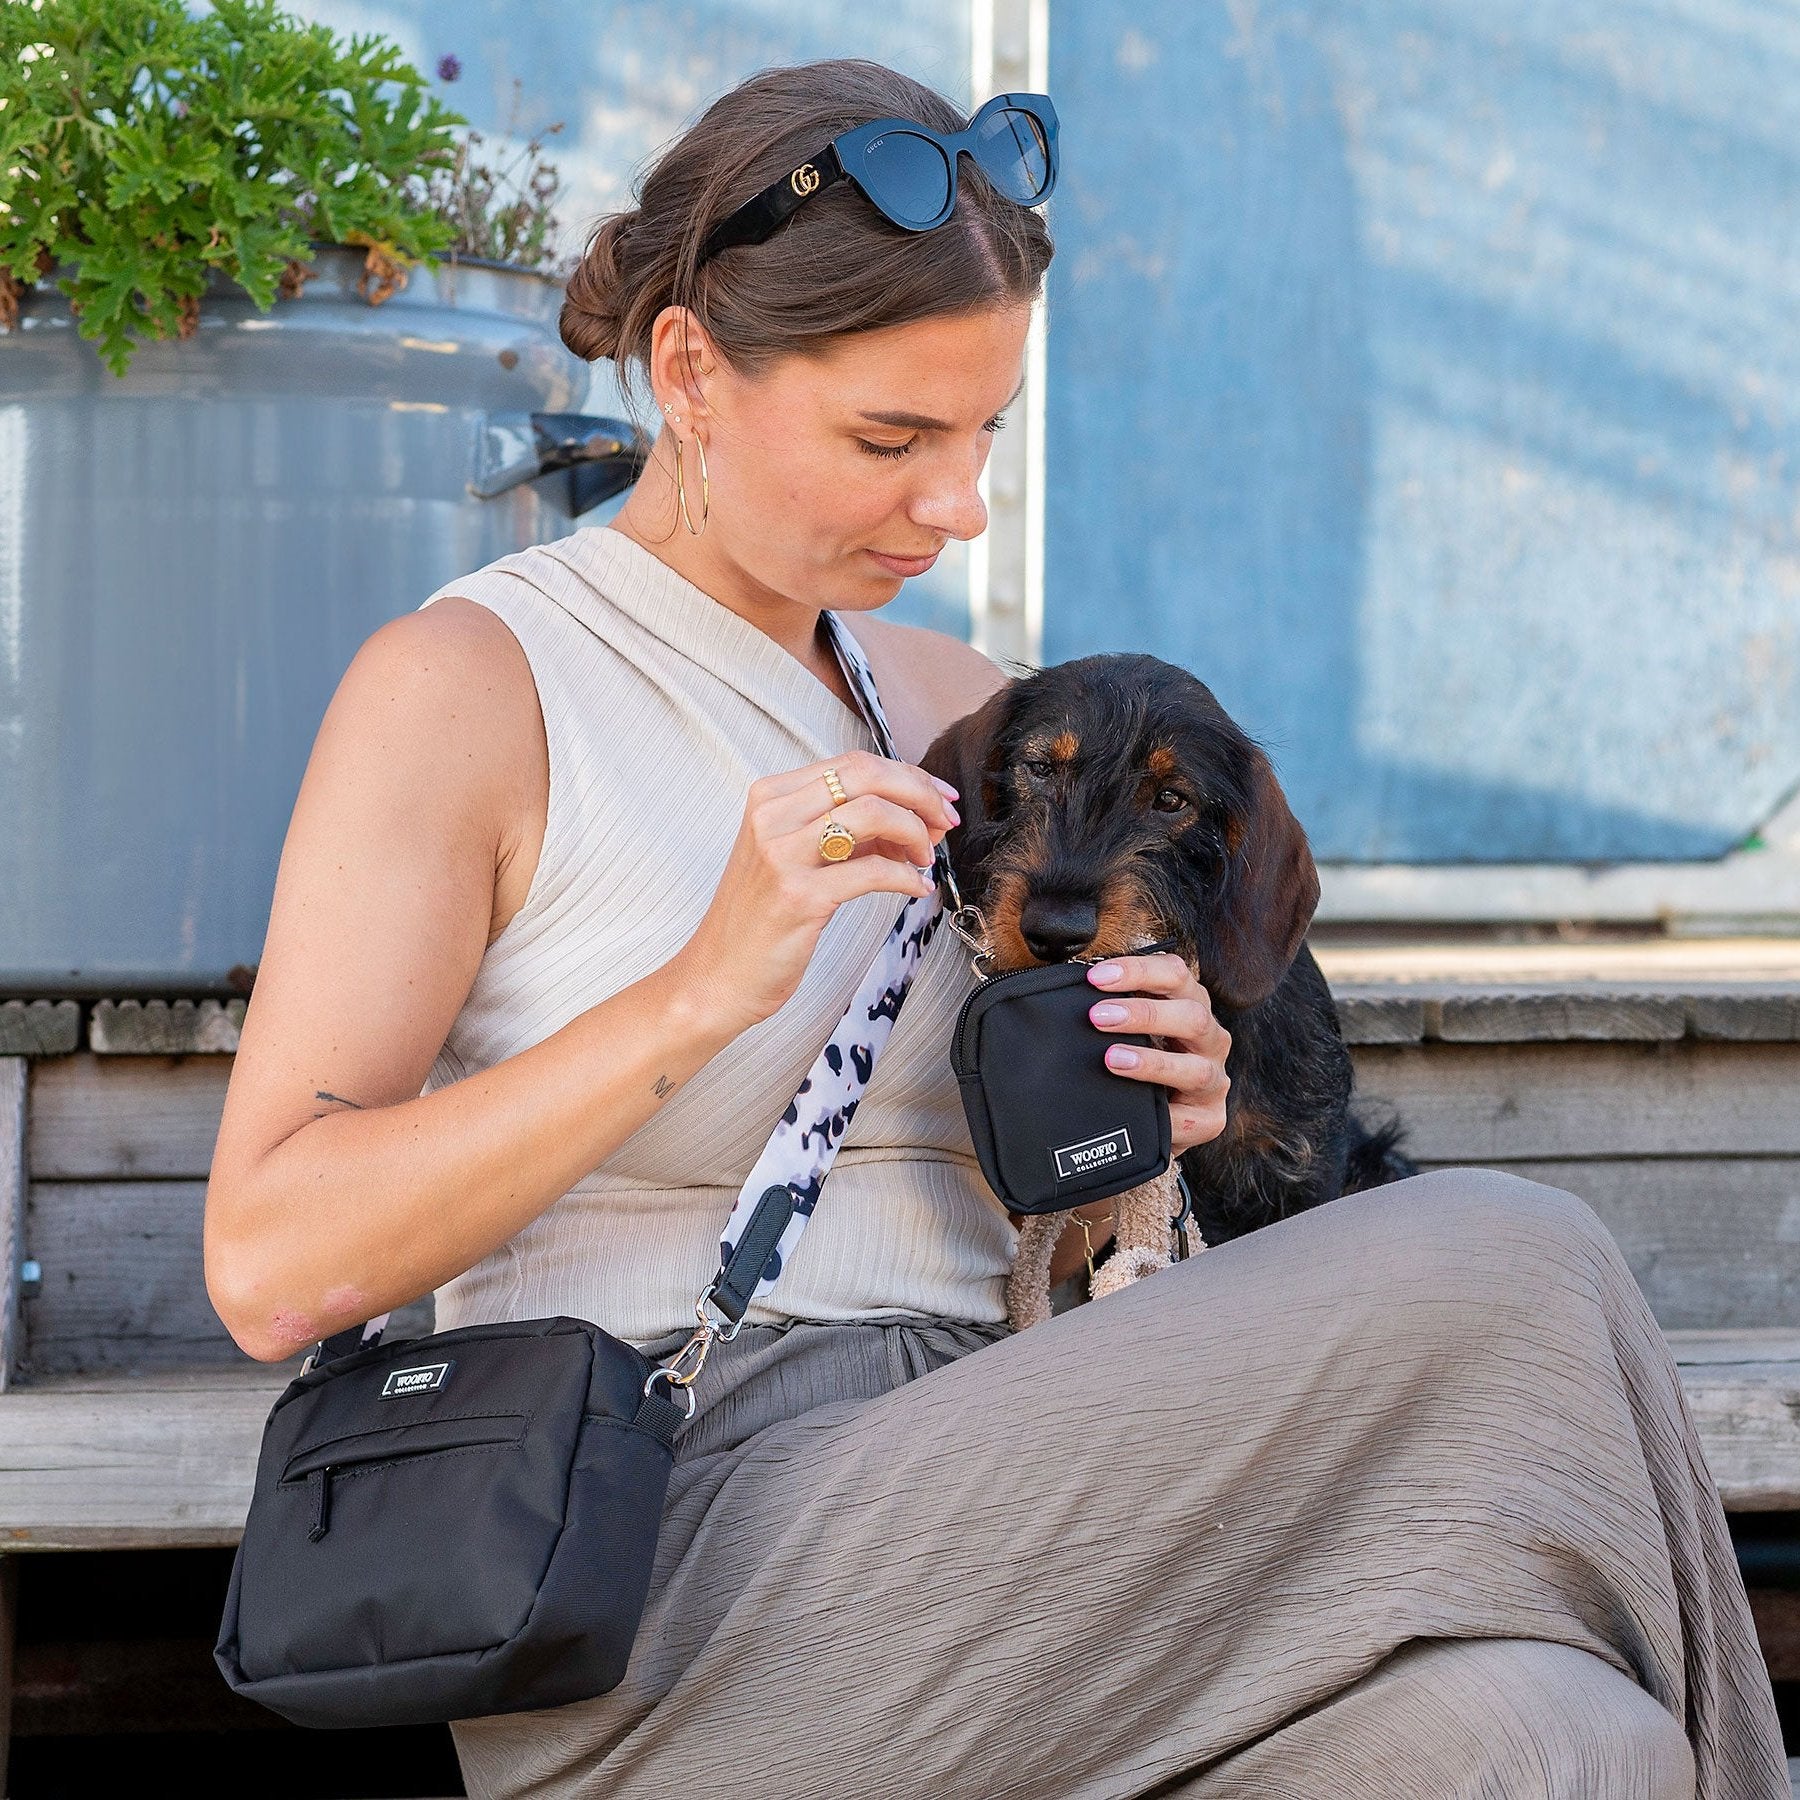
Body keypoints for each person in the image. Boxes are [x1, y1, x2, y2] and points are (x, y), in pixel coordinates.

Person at [203, 57, 1788, 1800]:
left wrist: (1165, 1109)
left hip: (1044, 1461)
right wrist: (697, 993)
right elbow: (273, 1264)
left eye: (984, 439)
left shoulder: (957, 705)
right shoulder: (476, 684)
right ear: (691, 373)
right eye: (892, 441)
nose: (957, 505)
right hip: (678, 1544)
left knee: (1556, 1737)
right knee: (1518, 1260)